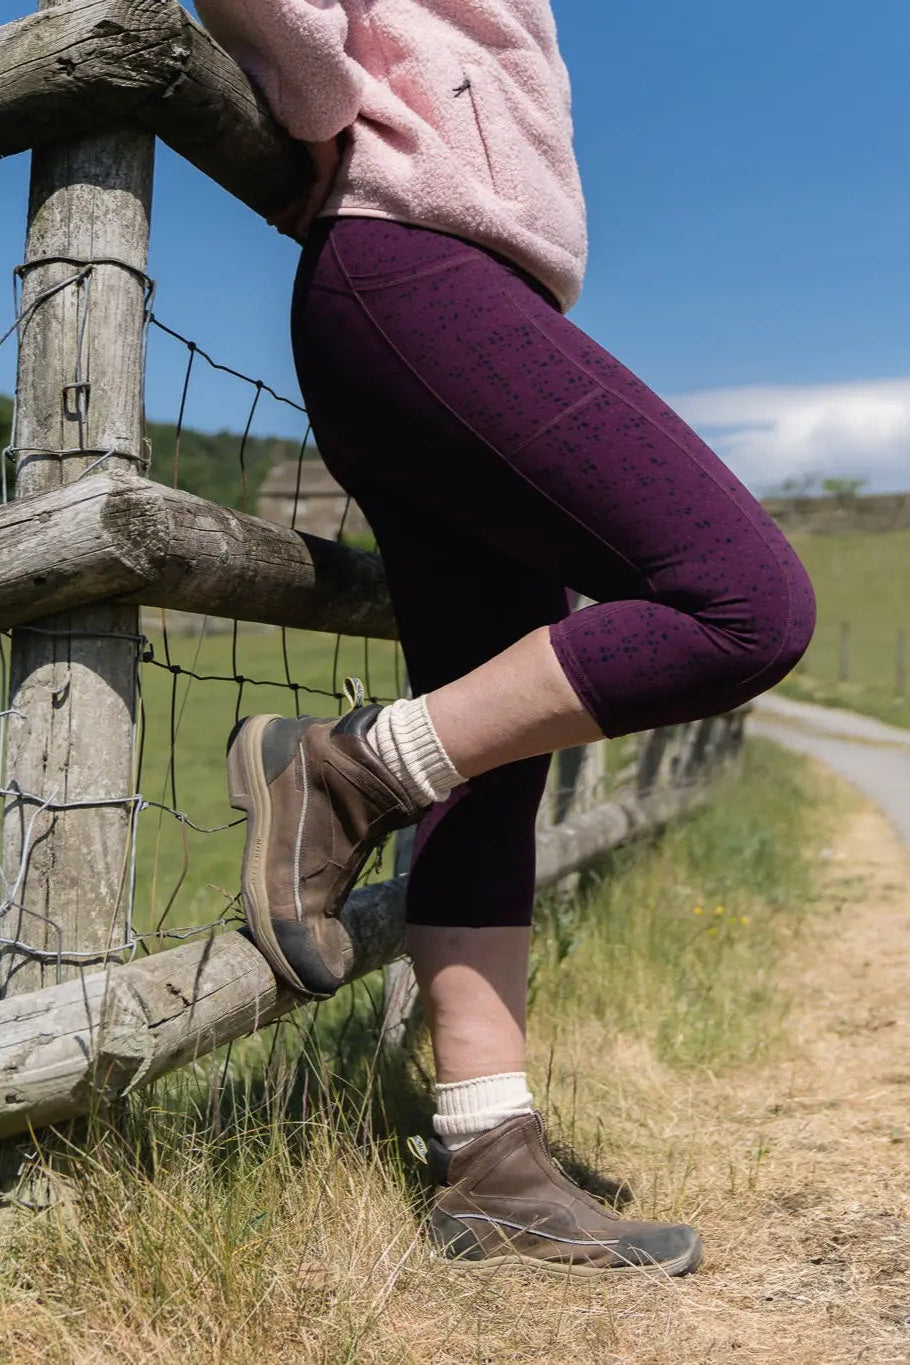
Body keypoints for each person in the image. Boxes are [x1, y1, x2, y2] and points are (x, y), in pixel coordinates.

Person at [198, 0, 816, 1277]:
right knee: (748, 602)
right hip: (416, 268)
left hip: (447, 287)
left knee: (501, 749)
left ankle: (490, 1163)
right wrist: (318, 103)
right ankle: (350, 769)